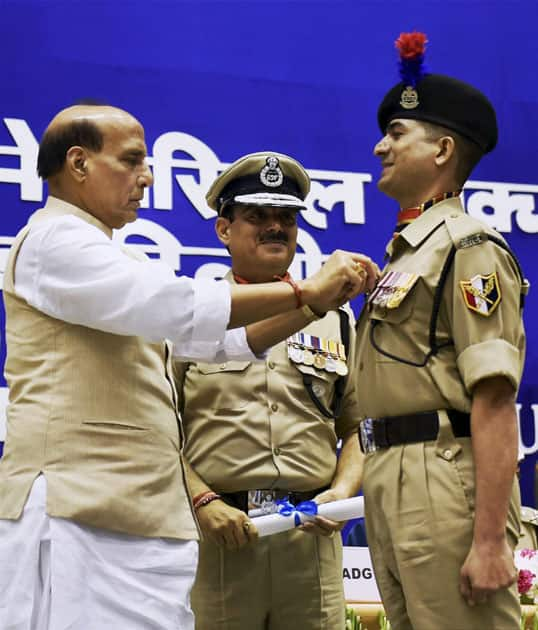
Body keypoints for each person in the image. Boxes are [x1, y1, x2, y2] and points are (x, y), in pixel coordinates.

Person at [0, 105, 376, 630]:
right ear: (79, 163)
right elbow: (175, 307)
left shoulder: (113, 256)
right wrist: (305, 290)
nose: (147, 177)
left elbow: (220, 344)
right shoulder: (54, 242)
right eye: (131, 161)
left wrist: (313, 307)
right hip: (79, 513)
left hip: (130, 516)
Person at [354, 33, 529, 630]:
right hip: (390, 475)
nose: (380, 146)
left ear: (443, 149)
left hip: (441, 478)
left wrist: (487, 543)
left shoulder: (468, 248)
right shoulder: (407, 254)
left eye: (398, 134)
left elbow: (495, 397)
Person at [175, 151, 367, 629]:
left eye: (285, 217)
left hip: (310, 539)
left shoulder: (337, 319)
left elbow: (363, 427)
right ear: (224, 230)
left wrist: (342, 492)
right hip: (222, 538)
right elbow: (156, 432)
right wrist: (202, 501)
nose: (274, 227)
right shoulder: (189, 319)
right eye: (257, 217)